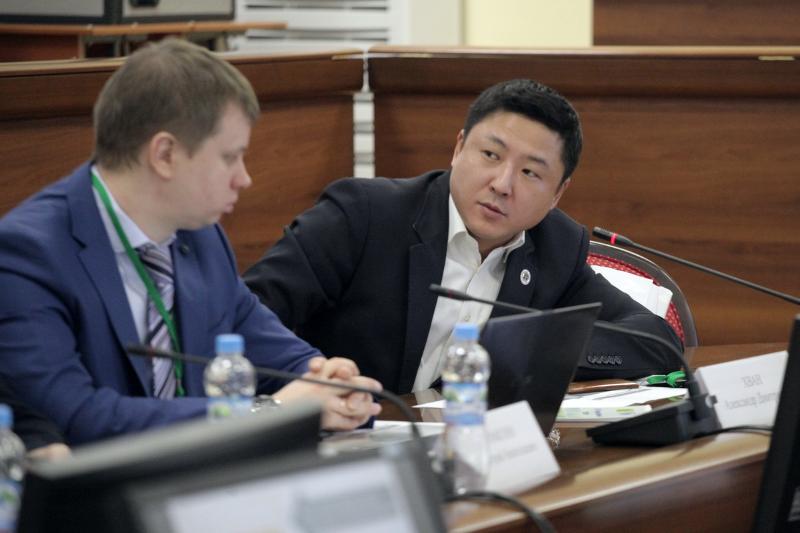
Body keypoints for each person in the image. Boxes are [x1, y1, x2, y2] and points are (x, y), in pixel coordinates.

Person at [0, 39, 380, 446]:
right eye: (230, 157)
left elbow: (267, 346)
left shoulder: (199, 235)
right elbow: (77, 416)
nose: (244, 178)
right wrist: (265, 413)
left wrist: (328, 382)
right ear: (164, 154)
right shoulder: (29, 253)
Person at [243, 78, 682, 395]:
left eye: (530, 173)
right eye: (490, 155)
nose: (502, 184)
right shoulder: (363, 215)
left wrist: (537, 349)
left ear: (557, 194)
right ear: (458, 149)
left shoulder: (555, 248)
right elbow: (243, 317)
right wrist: (310, 376)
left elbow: (656, 341)